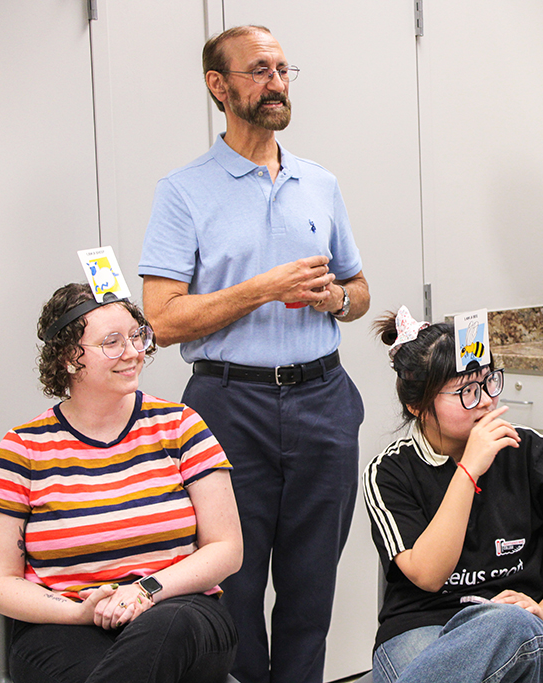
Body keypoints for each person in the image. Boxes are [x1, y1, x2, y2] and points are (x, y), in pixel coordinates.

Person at [137, 24, 369, 683]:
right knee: (231, 586)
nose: (277, 82)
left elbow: (359, 290)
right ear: (220, 85)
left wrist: (334, 300)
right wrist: (263, 288)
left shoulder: (319, 182)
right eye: (260, 70)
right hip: (226, 405)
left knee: (311, 586)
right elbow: (162, 318)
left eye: (285, 69)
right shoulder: (183, 191)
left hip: (324, 399)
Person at [0, 282, 242, 683]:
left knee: (166, 631)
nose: (134, 352)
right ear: (69, 358)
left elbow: (226, 548)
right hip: (63, 624)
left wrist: (144, 590)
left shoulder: (181, 426)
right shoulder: (23, 449)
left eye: (137, 336)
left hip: (177, 611)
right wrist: (79, 612)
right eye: (112, 342)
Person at [362, 307, 543, 683]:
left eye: (487, 382)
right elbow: (430, 576)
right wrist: (468, 470)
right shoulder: (390, 472)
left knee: (518, 633)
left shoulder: (525, 449)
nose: (485, 400)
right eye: (465, 390)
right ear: (418, 406)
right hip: (422, 629)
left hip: (519, 629)